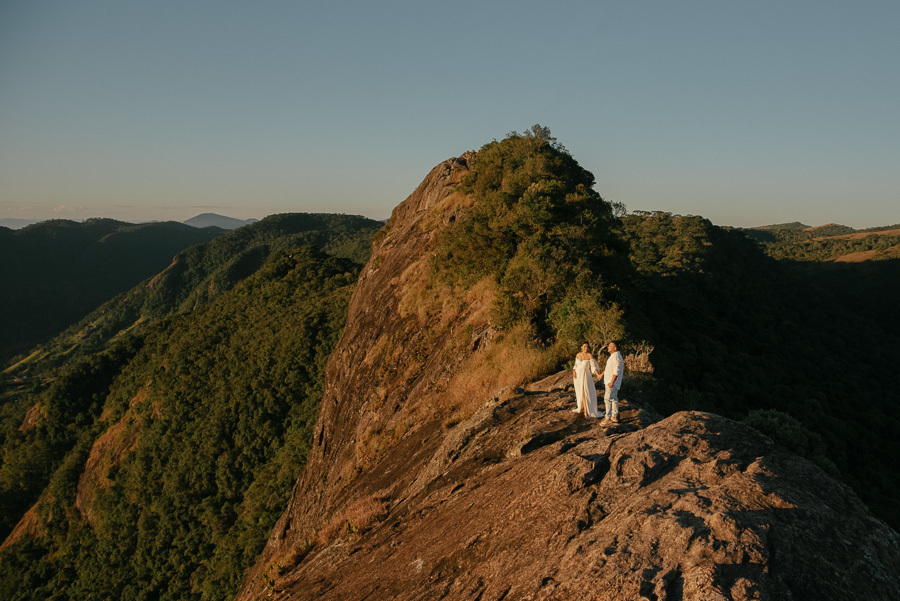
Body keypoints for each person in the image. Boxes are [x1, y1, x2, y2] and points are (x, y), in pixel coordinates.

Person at [571, 343, 601, 418]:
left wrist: (597, 375)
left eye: (587, 346)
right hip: (578, 376)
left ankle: (586, 412)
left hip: (585, 375)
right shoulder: (578, 355)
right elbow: (575, 365)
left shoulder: (589, 355)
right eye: (584, 346)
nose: (586, 348)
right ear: (581, 347)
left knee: (585, 392)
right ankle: (582, 407)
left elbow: (593, 367)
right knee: (580, 392)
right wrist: (574, 371)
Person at [602, 341, 624, 423]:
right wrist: (602, 374)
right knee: (614, 398)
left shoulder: (616, 357)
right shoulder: (614, 356)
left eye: (610, 346)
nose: (608, 347)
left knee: (607, 399)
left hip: (611, 382)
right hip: (611, 381)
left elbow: (616, 371)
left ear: (615, 348)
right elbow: (609, 368)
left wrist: (612, 382)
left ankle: (608, 417)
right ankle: (614, 416)